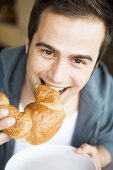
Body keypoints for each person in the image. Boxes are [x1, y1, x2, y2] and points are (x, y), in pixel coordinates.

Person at [0, 0, 113, 169]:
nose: (57, 76)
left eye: (78, 60)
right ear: (28, 45)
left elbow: (109, 140)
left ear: (95, 65)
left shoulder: (106, 90)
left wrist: (102, 156)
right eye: (48, 52)